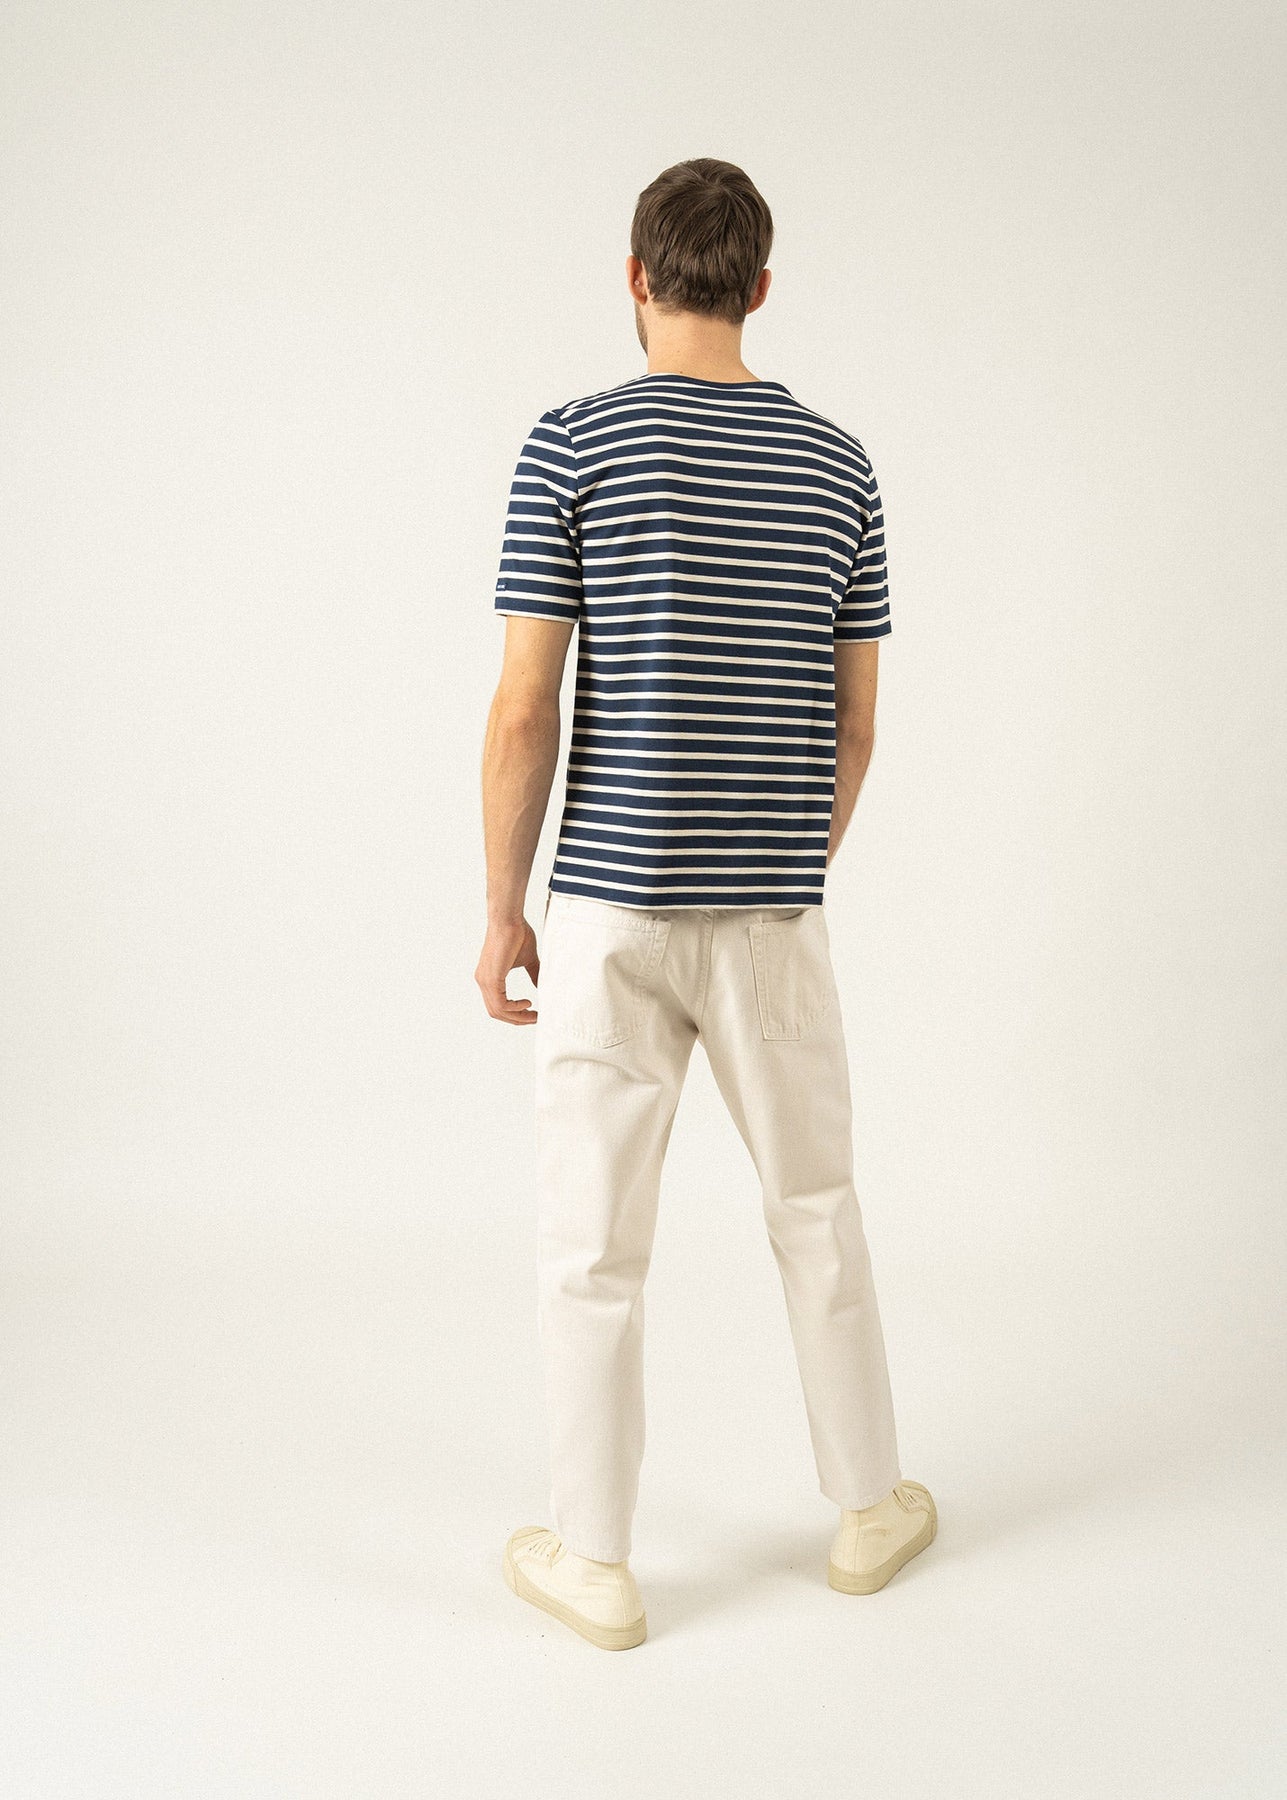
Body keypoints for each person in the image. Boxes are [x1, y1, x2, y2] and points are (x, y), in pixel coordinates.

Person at [477, 157, 935, 1651]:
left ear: (635, 278)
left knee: (591, 1245)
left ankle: (595, 1560)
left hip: (609, 914)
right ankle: (868, 1509)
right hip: (771, 918)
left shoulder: (571, 446)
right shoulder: (840, 468)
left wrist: (504, 907)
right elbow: (855, 728)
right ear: (760, 286)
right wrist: (788, 863)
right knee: (816, 1209)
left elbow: (526, 708)